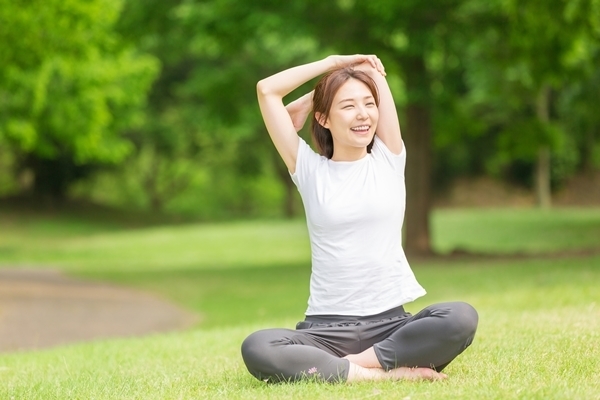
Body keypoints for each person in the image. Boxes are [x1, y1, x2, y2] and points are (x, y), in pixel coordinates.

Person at [241, 54, 478, 383]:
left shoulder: (389, 157)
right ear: (323, 117)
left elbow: (369, 69)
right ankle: (386, 374)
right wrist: (332, 64)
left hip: (391, 326)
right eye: (348, 106)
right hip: (325, 332)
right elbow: (267, 90)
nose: (363, 113)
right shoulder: (309, 169)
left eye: (368, 103)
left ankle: (348, 368)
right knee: (258, 346)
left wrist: (334, 86)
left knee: (460, 317)